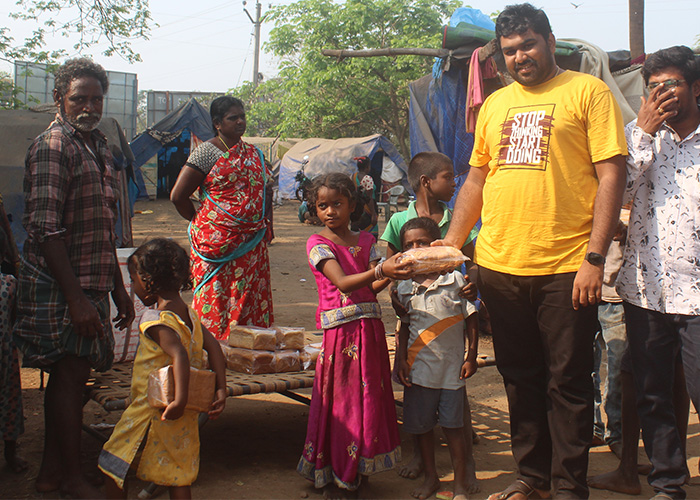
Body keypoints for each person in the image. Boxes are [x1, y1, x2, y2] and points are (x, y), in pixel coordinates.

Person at [435, 4, 628, 498]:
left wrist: (594, 258)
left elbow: (612, 175)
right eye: (510, 51)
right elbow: (477, 177)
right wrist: (451, 246)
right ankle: (532, 478)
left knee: (568, 381)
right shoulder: (496, 104)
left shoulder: (588, 92)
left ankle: (568, 487)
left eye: (528, 45)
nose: (520, 56)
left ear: (548, 40)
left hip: (567, 266)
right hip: (499, 264)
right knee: (520, 378)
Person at [13, 57, 135, 498]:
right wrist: (77, 300)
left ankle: (50, 475)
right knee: (69, 376)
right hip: (61, 285)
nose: (88, 105)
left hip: (91, 279)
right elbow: (45, 228)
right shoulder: (54, 146)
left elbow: (102, 225)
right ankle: (71, 478)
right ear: (59, 99)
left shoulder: (96, 143)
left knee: (71, 374)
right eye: (79, 97)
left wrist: (118, 288)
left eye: (96, 98)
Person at [615, 45, 700, 499]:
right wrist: (643, 135)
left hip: (698, 297)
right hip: (646, 291)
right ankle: (668, 484)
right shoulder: (637, 136)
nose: (661, 94)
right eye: (653, 88)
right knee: (653, 397)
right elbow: (616, 196)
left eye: (671, 85)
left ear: (696, 88)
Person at [297, 173, 411, 496]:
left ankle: (360, 468)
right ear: (314, 209)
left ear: (353, 206)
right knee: (342, 402)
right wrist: (382, 270)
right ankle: (335, 472)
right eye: (322, 205)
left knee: (368, 401)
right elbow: (344, 283)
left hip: (370, 332)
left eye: (337, 204)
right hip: (341, 336)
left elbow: (372, 287)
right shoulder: (317, 244)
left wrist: (395, 271)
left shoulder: (366, 241)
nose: (330, 211)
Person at [99, 238, 227, 499]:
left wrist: (177, 401)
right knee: (177, 474)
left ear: (148, 282)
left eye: (133, 281)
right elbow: (214, 347)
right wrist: (221, 389)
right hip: (185, 413)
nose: (133, 288)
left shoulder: (156, 321)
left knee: (112, 463)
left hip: (153, 408)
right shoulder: (189, 314)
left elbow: (178, 353)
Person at [380, 151, 479, 481]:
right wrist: (395, 291)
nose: (454, 184)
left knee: (454, 396)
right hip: (413, 309)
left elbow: (473, 260)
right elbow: (390, 264)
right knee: (418, 393)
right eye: (448, 178)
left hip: (451, 306)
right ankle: (422, 461)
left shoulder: (457, 218)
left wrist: (473, 284)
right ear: (426, 182)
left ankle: (465, 467)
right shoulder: (399, 221)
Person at [170, 95, 273, 341]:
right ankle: (214, 348)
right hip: (216, 244)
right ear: (217, 123)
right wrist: (205, 222)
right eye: (232, 118)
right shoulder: (207, 153)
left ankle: (247, 350)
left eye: (242, 117)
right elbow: (178, 196)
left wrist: (266, 224)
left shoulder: (254, 153)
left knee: (249, 296)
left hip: (252, 242)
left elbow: (264, 192)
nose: (240, 122)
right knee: (216, 295)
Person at [394, 217, 479, 500]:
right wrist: (400, 361)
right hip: (419, 371)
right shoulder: (404, 288)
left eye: (423, 243)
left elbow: (471, 319)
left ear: (437, 245)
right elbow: (404, 326)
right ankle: (431, 478)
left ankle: (460, 484)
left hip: (452, 371)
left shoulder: (456, 279)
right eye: (409, 246)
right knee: (422, 428)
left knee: (454, 429)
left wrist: (472, 356)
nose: (417, 249)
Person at [0, 226, 27, 474]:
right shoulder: (8, 284)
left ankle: (10, 453)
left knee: (8, 405)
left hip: (6, 360)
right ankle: (10, 453)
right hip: (6, 358)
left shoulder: (8, 284)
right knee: (8, 404)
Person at [350, 156, 379, 238]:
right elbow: (369, 198)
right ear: (368, 167)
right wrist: (373, 214)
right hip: (367, 211)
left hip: (356, 210)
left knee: (356, 235)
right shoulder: (367, 179)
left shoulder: (353, 177)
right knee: (369, 236)